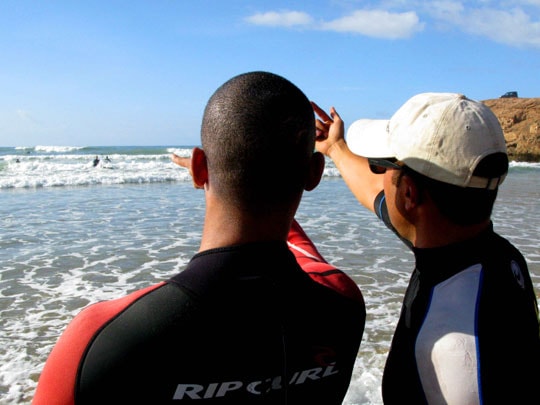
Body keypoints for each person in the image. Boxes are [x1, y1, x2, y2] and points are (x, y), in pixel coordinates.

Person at [33, 71, 366, 404]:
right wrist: (334, 149)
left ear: (198, 168)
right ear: (315, 173)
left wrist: (215, 173)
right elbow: (299, 249)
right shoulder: (342, 305)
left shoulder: (100, 339)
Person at [312, 93, 540, 404]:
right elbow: (377, 196)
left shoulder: (451, 343)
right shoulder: (495, 255)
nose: (379, 177)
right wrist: (336, 148)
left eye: (382, 166)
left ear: (409, 194)